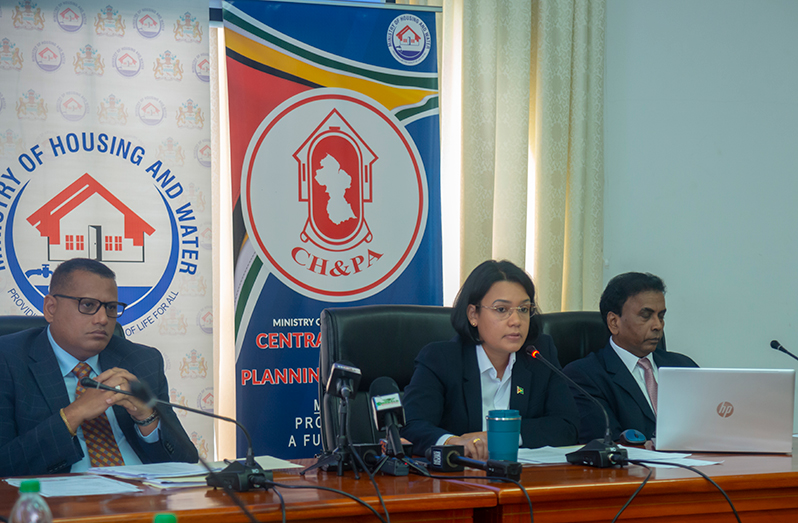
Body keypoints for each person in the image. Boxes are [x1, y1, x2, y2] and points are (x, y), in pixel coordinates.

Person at [0, 258, 198, 476]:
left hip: (142, 496)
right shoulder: (8, 361)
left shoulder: (142, 361)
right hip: (60, 502)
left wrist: (146, 417)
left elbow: (187, 464)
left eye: (111, 307)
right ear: (51, 308)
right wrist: (73, 414)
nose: (103, 319)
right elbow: (6, 464)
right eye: (88, 305)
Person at [400, 260, 579, 460]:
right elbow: (412, 426)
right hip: (460, 481)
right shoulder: (440, 360)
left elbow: (567, 426)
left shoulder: (539, 354)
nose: (516, 321)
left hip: (527, 479)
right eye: (502, 310)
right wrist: (453, 442)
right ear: (473, 314)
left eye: (524, 309)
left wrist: (500, 437)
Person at [563, 272, 698, 443]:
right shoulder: (584, 377)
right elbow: (607, 443)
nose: (657, 326)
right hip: (633, 469)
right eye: (646, 315)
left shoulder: (684, 366)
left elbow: (710, 428)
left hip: (693, 467)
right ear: (614, 322)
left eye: (661, 316)